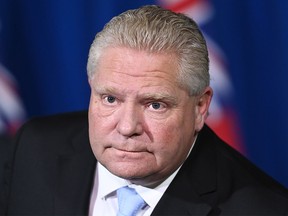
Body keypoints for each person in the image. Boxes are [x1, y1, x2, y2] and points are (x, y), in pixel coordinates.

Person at [2, 5, 288, 215]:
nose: (127, 127)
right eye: (110, 99)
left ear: (201, 107)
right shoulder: (34, 147)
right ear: (92, 88)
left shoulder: (261, 209)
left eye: (155, 104)